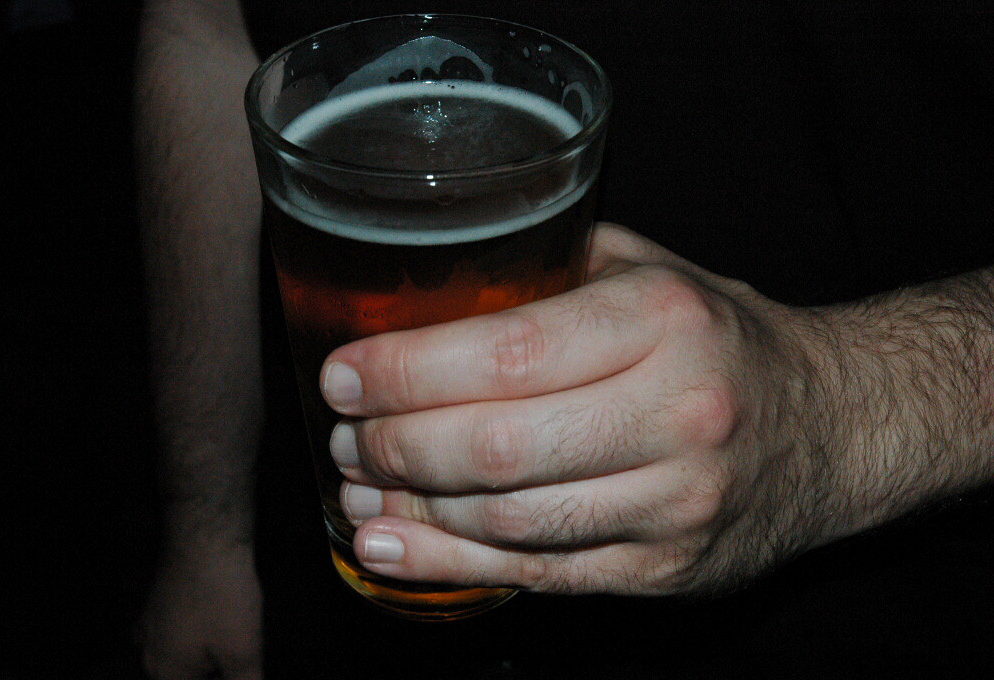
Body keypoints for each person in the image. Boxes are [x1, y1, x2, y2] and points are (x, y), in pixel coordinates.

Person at [134, 0, 994, 678]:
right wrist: (207, 531)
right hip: (334, 547)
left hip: (846, 594)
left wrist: (841, 410)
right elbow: (204, 31)